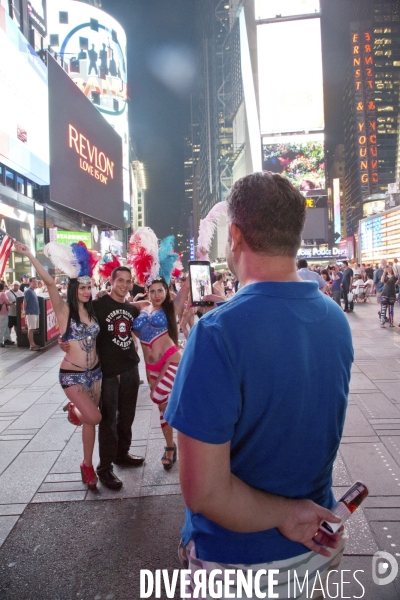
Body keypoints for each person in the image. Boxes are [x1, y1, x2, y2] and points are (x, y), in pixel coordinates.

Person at [165, 172, 353, 597]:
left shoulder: (216, 333)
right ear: (296, 237)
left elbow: (205, 493)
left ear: (234, 235)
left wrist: (286, 515)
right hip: (317, 547)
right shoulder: (336, 319)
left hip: (236, 562)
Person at [14, 240, 102, 490]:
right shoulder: (64, 312)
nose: (86, 291)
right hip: (72, 376)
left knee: (90, 422)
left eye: (89, 287)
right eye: (82, 287)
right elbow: (51, 283)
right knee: (93, 416)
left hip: (95, 374)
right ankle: (74, 409)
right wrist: (31, 255)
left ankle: (87, 464)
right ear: (74, 289)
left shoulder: (93, 312)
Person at [61, 265, 145, 491]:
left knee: (127, 417)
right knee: (107, 421)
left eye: (129, 281)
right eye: (121, 281)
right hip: (106, 373)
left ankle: (122, 454)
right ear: (111, 281)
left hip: (130, 369)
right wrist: (64, 341)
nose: (125, 285)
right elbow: (75, 322)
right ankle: (105, 468)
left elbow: (148, 312)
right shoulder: (96, 306)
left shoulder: (131, 308)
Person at [129, 228, 189, 469]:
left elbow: (186, 285)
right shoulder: (139, 307)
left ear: (166, 291)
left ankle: (186, 439)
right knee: (163, 407)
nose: (155, 295)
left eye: (160, 291)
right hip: (151, 367)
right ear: (147, 291)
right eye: (152, 291)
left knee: (158, 396)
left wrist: (200, 256)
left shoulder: (170, 308)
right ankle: (171, 447)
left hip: (172, 359)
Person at [23, 277, 42, 350]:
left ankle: (33, 343)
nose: (35, 283)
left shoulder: (33, 291)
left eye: (36, 281)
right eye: (34, 281)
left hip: (35, 312)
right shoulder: (28, 291)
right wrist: (25, 312)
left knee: (33, 328)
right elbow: (25, 302)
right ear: (30, 282)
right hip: (31, 312)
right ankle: (32, 345)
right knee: (30, 329)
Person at [0, 282, 11, 347]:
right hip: (3, 313)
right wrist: (11, 302)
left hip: (1, 313)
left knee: (6, 327)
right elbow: (7, 302)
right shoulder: (2, 294)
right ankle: (0, 341)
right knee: (3, 327)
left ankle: (7, 339)